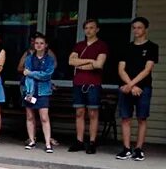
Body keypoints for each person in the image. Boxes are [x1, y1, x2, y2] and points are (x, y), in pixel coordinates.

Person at [117, 17, 159, 161]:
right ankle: (126, 148)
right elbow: (121, 69)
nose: (136, 30)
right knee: (125, 118)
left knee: (142, 118)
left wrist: (131, 85)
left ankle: (139, 149)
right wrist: (130, 86)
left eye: (139, 27)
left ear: (145, 29)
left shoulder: (152, 47)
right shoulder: (126, 47)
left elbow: (147, 70)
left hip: (143, 88)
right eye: (134, 27)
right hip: (127, 87)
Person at [67, 19, 108, 154]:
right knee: (79, 112)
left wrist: (80, 64)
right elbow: (71, 61)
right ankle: (79, 140)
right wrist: (90, 61)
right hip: (78, 82)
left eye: (91, 28)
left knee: (93, 113)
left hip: (93, 83)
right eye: (86, 28)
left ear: (97, 29)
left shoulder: (101, 45)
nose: (88, 30)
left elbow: (99, 64)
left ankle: (92, 141)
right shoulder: (79, 45)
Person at [22, 33, 56, 153]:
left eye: (41, 43)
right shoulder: (29, 58)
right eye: (36, 43)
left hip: (43, 91)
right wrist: (28, 92)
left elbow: (46, 75)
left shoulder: (49, 60)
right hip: (30, 90)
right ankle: (31, 140)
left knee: (44, 117)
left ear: (46, 45)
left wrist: (32, 73)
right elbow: (26, 76)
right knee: (30, 116)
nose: (39, 45)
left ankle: (47, 143)